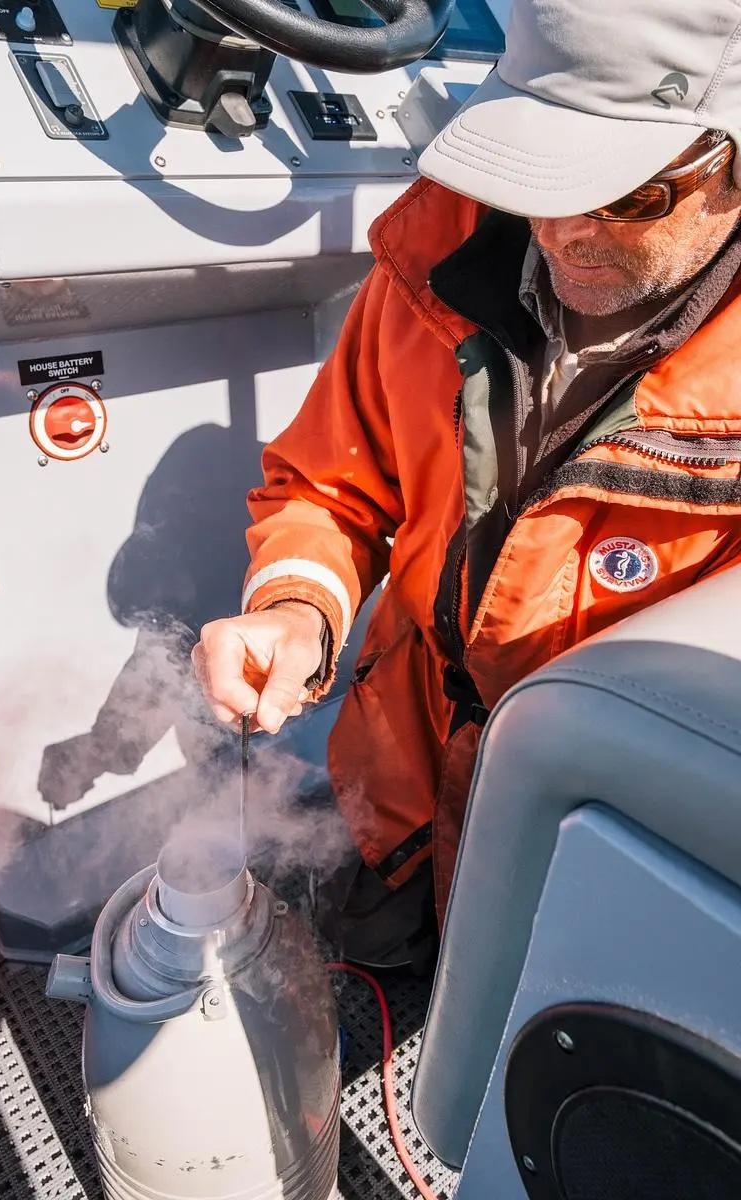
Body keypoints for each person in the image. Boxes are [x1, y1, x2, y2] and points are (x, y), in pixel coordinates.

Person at [194, 0, 741, 970]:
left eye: (628, 198)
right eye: (540, 177)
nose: (565, 229)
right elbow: (327, 487)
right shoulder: (431, 267)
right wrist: (294, 610)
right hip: (396, 792)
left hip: (605, 855)